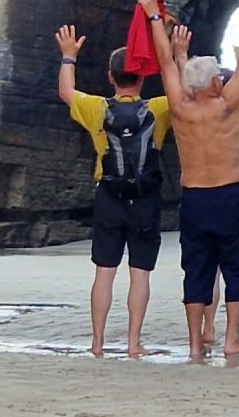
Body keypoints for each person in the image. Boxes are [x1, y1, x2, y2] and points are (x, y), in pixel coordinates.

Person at [139, 0, 239, 360]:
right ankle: (231, 338)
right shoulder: (228, 105)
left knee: (196, 269)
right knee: (236, 264)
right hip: (229, 193)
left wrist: (154, 17)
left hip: (194, 197)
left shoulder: (180, 107)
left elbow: (163, 62)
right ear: (213, 83)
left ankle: (195, 343)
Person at [55, 28, 172, 357]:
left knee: (104, 273)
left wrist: (69, 55)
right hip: (145, 198)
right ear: (142, 79)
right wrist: (173, 54)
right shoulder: (159, 108)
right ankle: (134, 344)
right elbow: (183, 93)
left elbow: (66, 91)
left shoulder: (95, 108)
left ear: (110, 77)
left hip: (108, 195)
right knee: (140, 274)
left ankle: (97, 343)